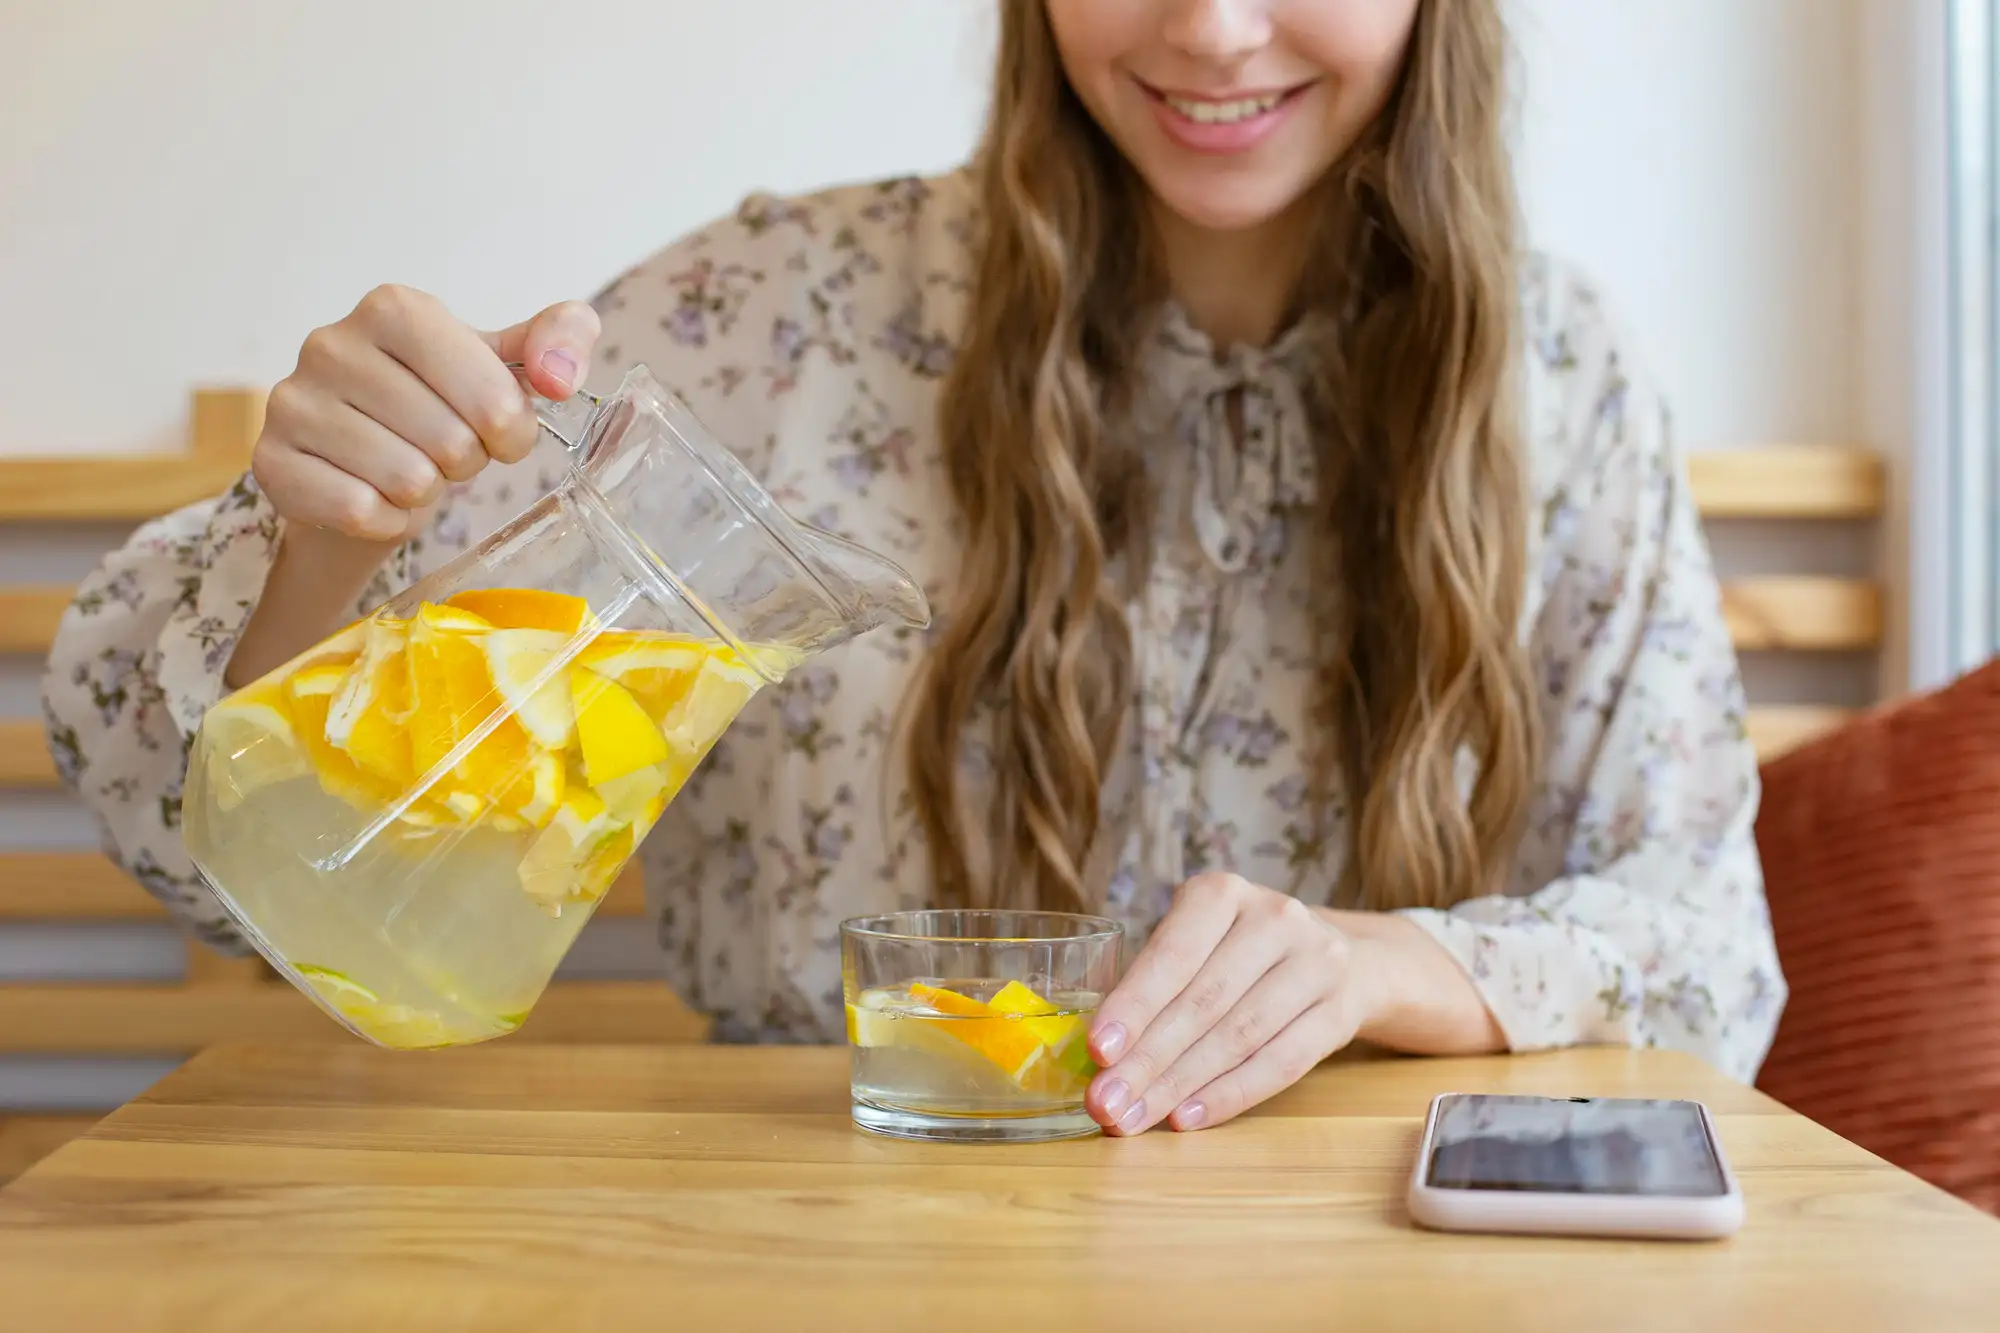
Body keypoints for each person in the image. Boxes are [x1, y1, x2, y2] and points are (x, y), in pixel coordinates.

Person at [43, 0, 1785, 1136]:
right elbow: (202, 832)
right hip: (795, 1252)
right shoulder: (774, 317)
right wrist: (328, 547)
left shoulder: (1558, 384)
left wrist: (1382, 965)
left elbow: (1710, 951)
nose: (1216, 28)